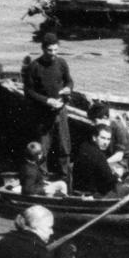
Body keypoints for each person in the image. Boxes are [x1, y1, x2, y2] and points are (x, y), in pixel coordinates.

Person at [22, 33, 74, 184]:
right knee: (42, 149)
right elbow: (29, 91)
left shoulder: (62, 63)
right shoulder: (34, 67)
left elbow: (69, 81)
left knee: (64, 147)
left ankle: (65, 178)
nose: (53, 54)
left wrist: (68, 89)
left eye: (56, 50)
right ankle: (42, 179)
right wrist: (47, 101)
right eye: (50, 50)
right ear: (43, 49)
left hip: (61, 112)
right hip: (43, 114)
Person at [88, 101, 129, 179]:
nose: (93, 124)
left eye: (95, 121)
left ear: (104, 117)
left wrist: (101, 163)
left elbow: (119, 156)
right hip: (105, 159)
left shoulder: (119, 129)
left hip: (119, 163)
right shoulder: (100, 128)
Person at [72, 124, 118, 197]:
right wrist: (117, 175)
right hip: (91, 196)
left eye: (108, 139)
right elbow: (110, 182)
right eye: (103, 138)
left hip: (76, 192)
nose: (106, 142)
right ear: (94, 138)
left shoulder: (83, 147)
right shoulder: (99, 155)